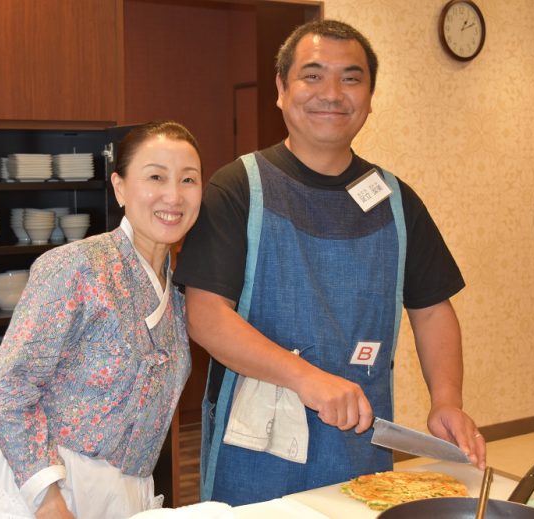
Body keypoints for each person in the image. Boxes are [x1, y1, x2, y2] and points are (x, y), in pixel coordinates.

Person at [173, 19, 487, 506]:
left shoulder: (396, 201)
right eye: (313, 75)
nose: (332, 93)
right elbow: (206, 315)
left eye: (351, 78)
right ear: (281, 88)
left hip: (360, 442)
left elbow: (431, 308)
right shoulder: (239, 187)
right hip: (255, 444)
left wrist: (446, 400)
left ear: (369, 95)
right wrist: (307, 380)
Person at [0, 120, 203, 519]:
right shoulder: (75, 266)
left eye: (188, 180)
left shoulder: (180, 289)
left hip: (124, 493)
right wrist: (49, 501)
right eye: (155, 176)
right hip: (46, 488)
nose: (173, 195)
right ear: (120, 187)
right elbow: (8, 393)